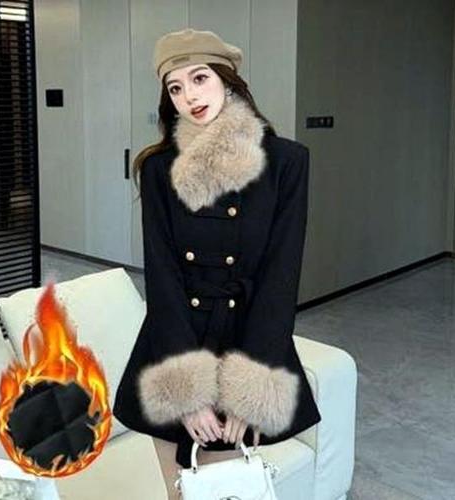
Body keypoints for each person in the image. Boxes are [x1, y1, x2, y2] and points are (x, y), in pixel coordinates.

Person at [113, 27, 322, 499]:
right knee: (178, 493)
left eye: (199, 78)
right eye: (175, 87)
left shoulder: (286, 162)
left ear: (227, 81)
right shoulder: (159, 168)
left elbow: (280, 279)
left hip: (244, 347)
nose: (189, 96)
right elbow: (162, 279)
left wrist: (249, 391)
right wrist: (185, 393)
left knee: (225, 490)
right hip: (174, 347)